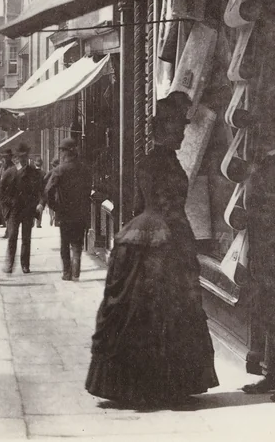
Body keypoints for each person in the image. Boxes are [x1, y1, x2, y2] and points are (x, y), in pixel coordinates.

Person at [86, 92, 218, 408]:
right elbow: (160, 206)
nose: (182, 134)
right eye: (178, 129)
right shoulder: (158, 163)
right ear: (163, 130)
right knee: (161, 307)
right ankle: (158, 385)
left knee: (154, 308)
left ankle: (155, 385)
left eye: (183, 130)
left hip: (153, 235)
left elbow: (136, 207)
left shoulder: (159, 161)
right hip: (164, 239)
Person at [45, 139, 91, 281]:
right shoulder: (84, 169)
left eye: (62, 151)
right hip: (80, 212)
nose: (61, 153)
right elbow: (88, 189)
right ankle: (76, 271)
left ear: (66, 152)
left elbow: (48, 191)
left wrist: (54, 206)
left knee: (65, 243)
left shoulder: (59, 170)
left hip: (64, 213)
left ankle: (67, 273)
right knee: (77, 243)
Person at [3, 143, 45, 274]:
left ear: (28, 157)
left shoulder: (35, 173)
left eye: (25, 156)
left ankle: (25, 265)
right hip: (14, 210)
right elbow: (0, 194)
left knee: (26, 238)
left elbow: (43, 191)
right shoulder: (10, 173)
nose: (23, 159)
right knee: (12, 237)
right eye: (20, 157)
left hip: (28, 210)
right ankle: (9, 264)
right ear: (16, 157)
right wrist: (8, 205)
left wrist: (41, 204)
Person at [0, 150, 17, 239]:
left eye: (6, 156)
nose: (4, 158)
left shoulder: (13, 167)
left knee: (9, 213)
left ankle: (9, 232)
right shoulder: (2, 167)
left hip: (9, 193)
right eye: (3, 157)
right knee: (5, 213)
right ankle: (8, 231)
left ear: (10, 157)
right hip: (2, 194)